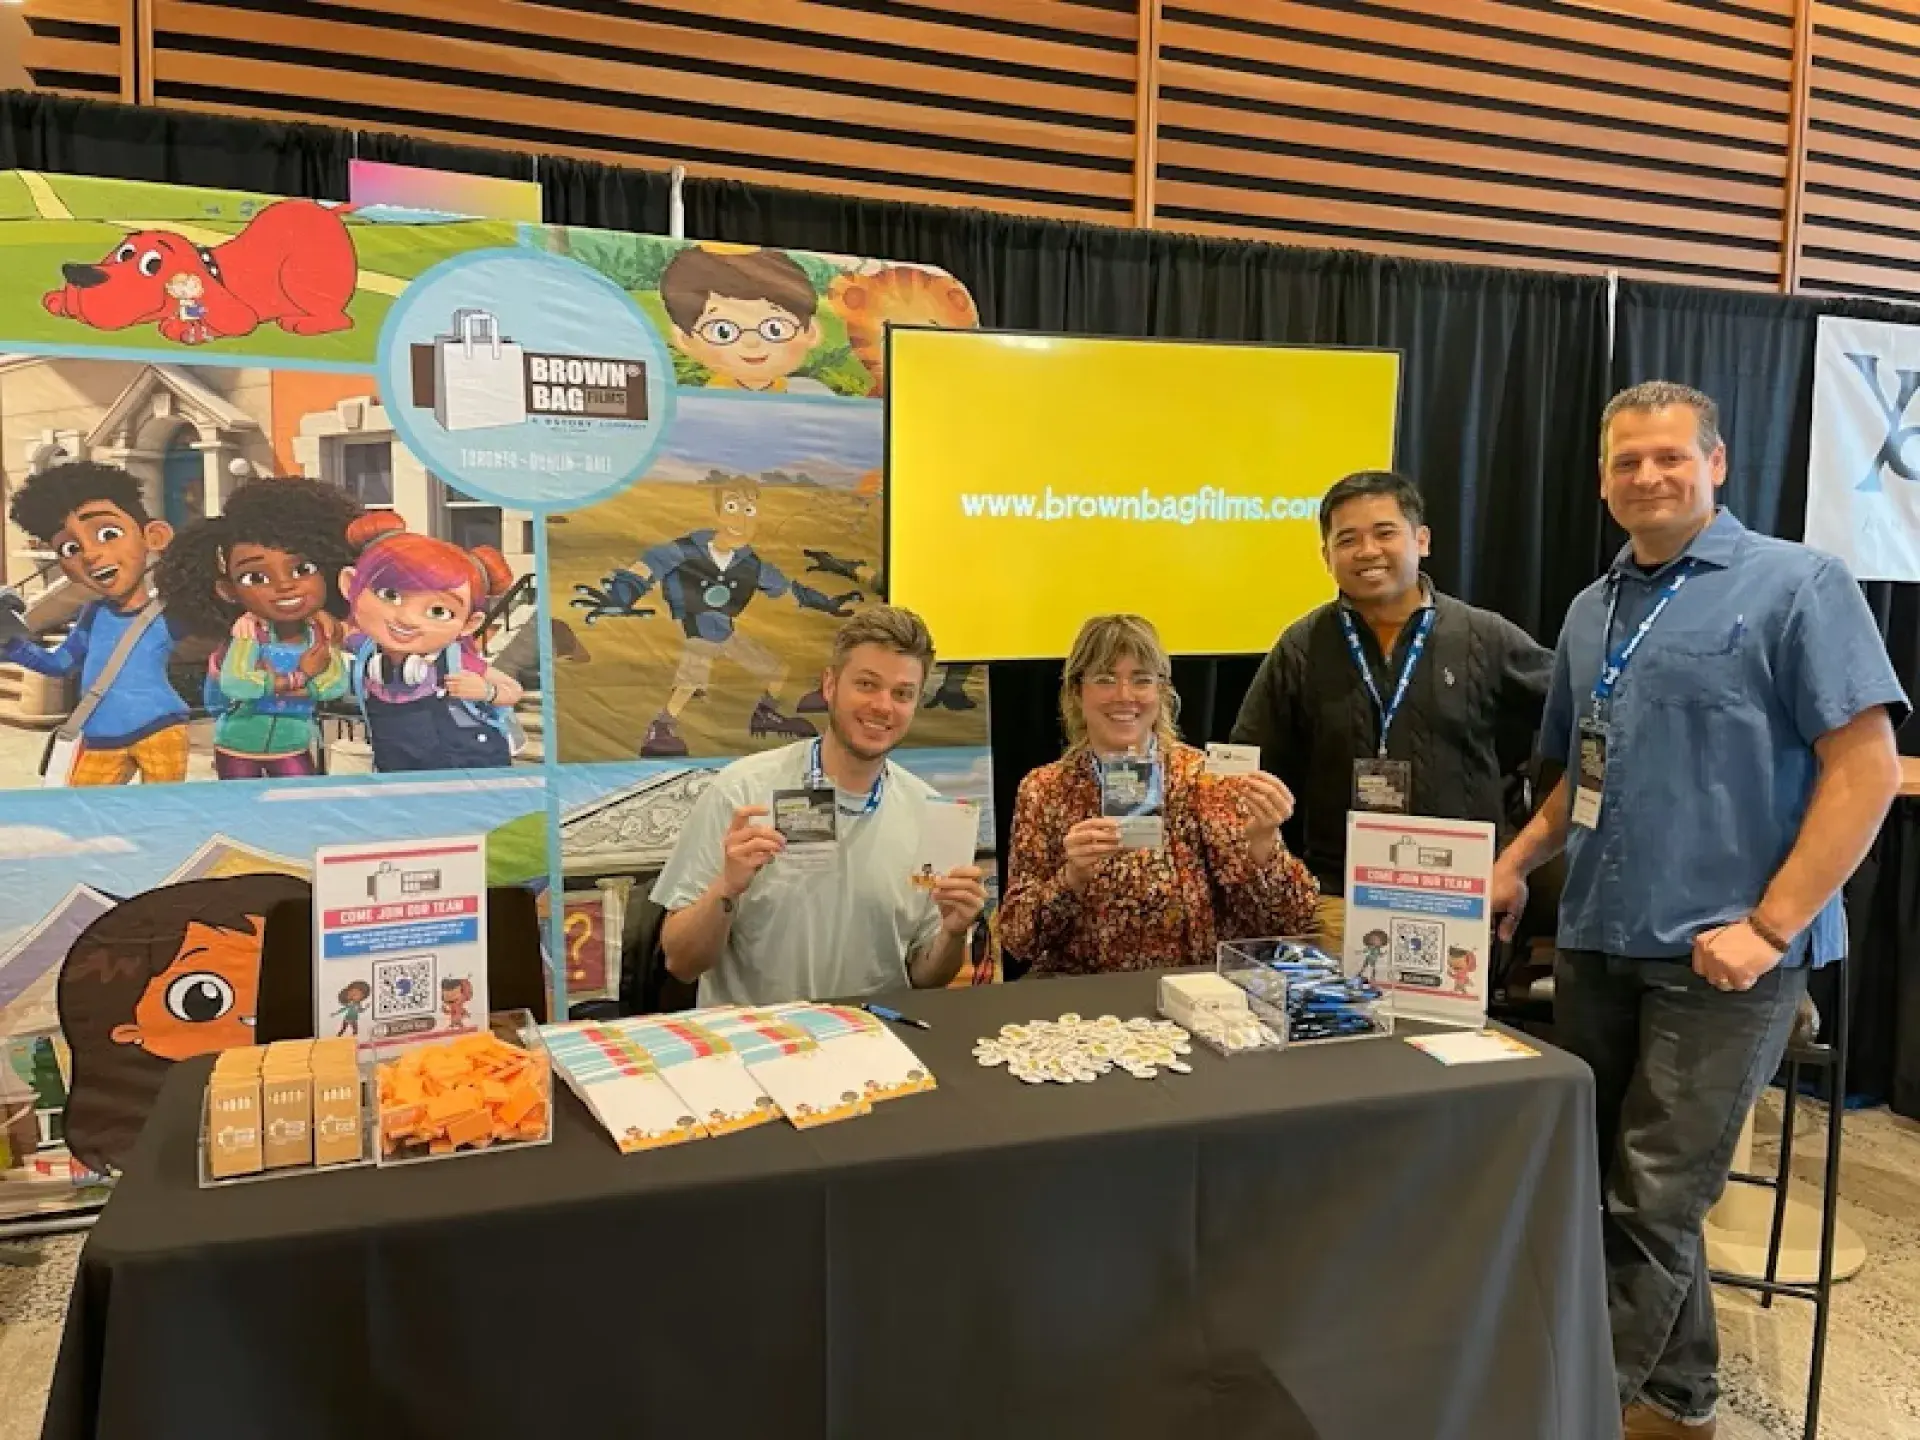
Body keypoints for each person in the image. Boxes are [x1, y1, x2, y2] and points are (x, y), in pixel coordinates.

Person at [1490, 381, 1908, 1440]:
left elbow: (1865, 770)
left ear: (1716, 465)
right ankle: (1678, 1406)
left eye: (1671, 457)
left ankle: (1566, 1415)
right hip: (1597, 937)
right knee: (1606, 1195)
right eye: (1627, 461)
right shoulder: (1595, 609)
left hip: (1727, 959)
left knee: (1653, 1202)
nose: (1648, 476)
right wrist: (1516, 861)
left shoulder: (1799, 584)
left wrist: (1771, 927)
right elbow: (1581, 774)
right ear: (1602, 479)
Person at [1231, 470, 1551, 957]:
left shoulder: (1484, 637)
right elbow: (1248, 761)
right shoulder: (1302, 645)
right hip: (1339, 898)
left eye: (1384, 533)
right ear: (1326, 556)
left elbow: (1581, 731)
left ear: (1421, 540)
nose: (1367, 551)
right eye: (1347, 539)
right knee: (1344, 1033)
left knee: (1443, 1036)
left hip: (1459, 897)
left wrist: (1517, 861)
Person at [652, 606, 987, 1006]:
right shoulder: (743, 793)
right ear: (829, 685)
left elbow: (925, 978)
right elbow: (681, 962)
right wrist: (728, 887)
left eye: (902, 693)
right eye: (866, 684)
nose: (883, 706)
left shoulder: (933, 814)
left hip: (873, 1047)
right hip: (758, 1050)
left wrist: (952, 934)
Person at [999, 614, 1316, 975]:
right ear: (1076, 691)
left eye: (1141, 680)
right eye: (1105, 679)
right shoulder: (1044, 790)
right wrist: (1070, 879)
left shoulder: (1209, 780)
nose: (1124, 696)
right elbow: (1017, 939)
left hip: (1193, 994)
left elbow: (1291, 919)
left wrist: (1263, 845)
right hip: (1081, 1000)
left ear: (1162, 692)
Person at [571, 476, 860, 758]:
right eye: (733, 508)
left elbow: (791, 590)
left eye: (749, 511)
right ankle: (661, 727)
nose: (741, 519)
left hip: (725, 632)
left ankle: (764, 715)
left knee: (775, 671)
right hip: (700, 631)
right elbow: (649, 565)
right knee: (690, 680)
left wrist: (829, 604)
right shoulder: (687, 550)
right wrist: (622, 595)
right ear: (719, 513)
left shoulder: (750, 564)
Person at [1, 461, 192, 784]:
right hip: (100, 735)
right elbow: (59, 662)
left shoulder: (171, 612)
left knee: (164, 812)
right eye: (70, 547)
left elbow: (219, 636)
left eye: (108, 534)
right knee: (83, 811)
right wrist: (11, 644)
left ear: (154, 536)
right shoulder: (92, 615)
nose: (89, 555)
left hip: (161, 728)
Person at [155, 476, 358, 780]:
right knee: (240, 814)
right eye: (255, 577)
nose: (285, 585)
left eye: (302, 569)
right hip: (238, 746)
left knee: (301, 807)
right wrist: (301, 678)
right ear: (228, 590)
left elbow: (334, 684)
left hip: (293, 744)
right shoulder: (249, 635)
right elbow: (238, 684)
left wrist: (273, 682)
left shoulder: (319, 632)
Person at [338, 512, 525, 772]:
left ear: (470, 624)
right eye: (390, 595)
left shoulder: (456, 660)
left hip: (468, 766)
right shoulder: (366, 651)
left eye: (438, 611)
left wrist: (486, 691)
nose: (406, 619)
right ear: (349, 586)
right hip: (395, 766)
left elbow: (513, 689)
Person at [658, 245, 830, 394]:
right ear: (686, 339)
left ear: (811, 332)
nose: (752, 342)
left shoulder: (813, 394)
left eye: (774, 329)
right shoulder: (702, 402)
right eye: (723, 332)